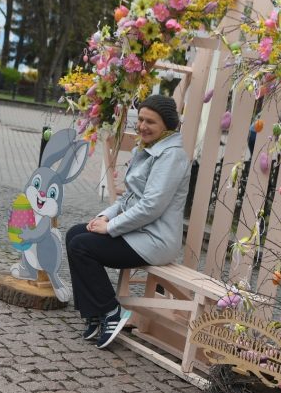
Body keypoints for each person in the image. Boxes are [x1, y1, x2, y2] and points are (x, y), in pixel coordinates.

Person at [65, 94, 190, 349]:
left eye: (150, 122)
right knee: (75, 234)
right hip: (138, 231)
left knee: (82, 246)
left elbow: (151, 207)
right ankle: (94, 312)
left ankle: (111, 311)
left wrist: (111, 228)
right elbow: (130, 198)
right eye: (141, 119)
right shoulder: (146, 150)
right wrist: (105, 216)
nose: (142, 126)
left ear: (167, 125)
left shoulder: (171, 156)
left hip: (155, 239)